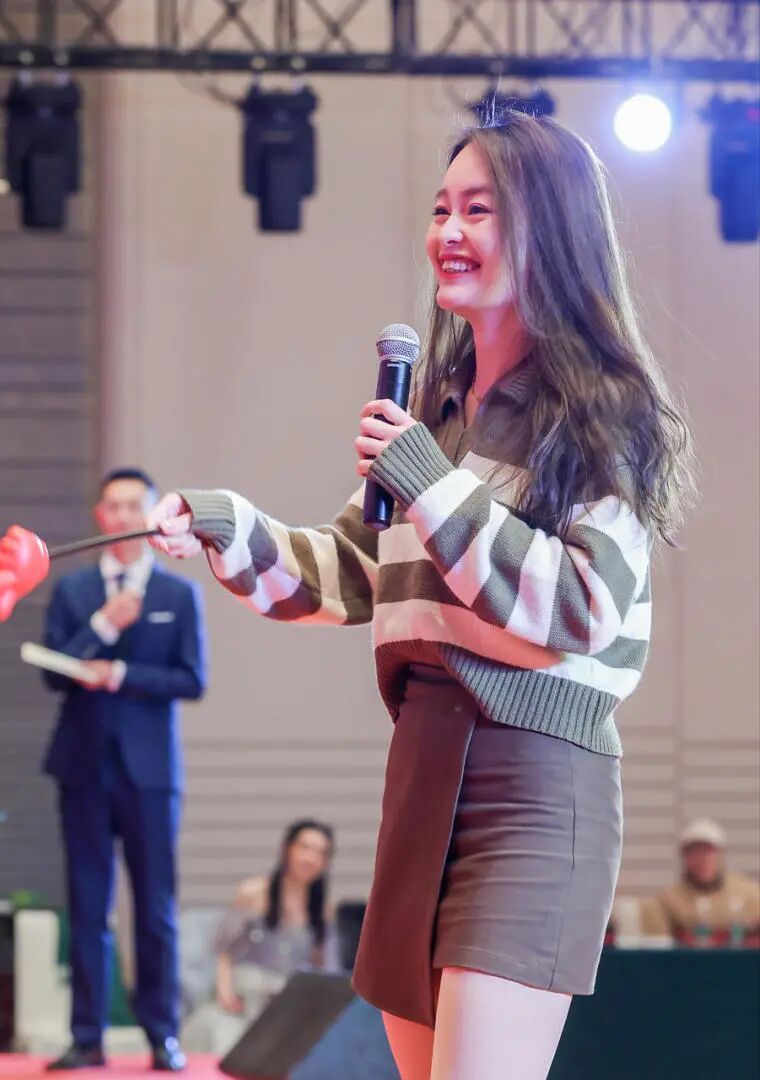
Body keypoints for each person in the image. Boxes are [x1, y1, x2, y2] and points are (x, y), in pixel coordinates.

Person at [145, 111, 694, 1080]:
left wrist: (426, 482)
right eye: (441, 209)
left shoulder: (604, 409)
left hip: (533, 782)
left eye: (479, 210)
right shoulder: (436, 410)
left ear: (550, 228)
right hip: (421, 770)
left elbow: (580, 608)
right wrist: (226, 525)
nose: (449, 231)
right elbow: (353, 572)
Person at [39, 467, 208, 1072]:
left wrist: (123, 675)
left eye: (136, 505)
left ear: (153, 515)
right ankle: (87, 1036)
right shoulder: (73, 591)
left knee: (156, 908)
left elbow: (192, 679)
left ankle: (162, 1034)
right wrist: (103, 626)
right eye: (113, 506)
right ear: (100, 516)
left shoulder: (177, 595)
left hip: (151, 773)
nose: (124, 516)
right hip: (83, 766)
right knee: (88, 906)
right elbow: (51, 672)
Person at [188, 819, 337, 1055]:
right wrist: (225, 993)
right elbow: (225, 950)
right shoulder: (254, 893)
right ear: (287, 849)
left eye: (320, 852)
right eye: (305, 847)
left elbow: (323, 967)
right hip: (246, 998)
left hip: (289, 1005)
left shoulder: (322, 911)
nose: (310, 858)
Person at [643, 819, 760, 946]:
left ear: (721, 855)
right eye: (694, 851)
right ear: (683, 857)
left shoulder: (750, 893)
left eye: (708, 851)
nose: (702, 859)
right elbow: (659, 948)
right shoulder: (666, 900)